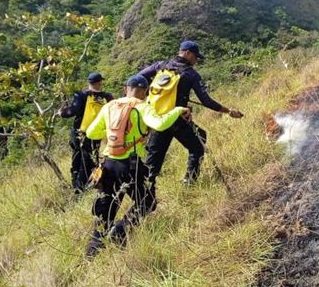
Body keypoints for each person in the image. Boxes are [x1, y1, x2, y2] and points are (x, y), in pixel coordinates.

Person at [83, 75, 190, 257]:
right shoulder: (141, 106)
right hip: (131, 165)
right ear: (144, 92)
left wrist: (109, 132)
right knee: (147, 202)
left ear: (126, 88)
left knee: (106, 210)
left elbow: (92, 133)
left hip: (108, 164)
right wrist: (179, 109)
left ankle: (91, 254)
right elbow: (160, 124)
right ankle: (121, 229)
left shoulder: (109, 106)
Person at [137, 40, 244, 186]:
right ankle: (189, 181)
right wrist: (228, 111)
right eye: (195, 57)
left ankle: (144, 194)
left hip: (157, 120)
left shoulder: (160, 66)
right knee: (198, 146)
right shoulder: (191, 74)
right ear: (187, 53)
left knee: (153, 163)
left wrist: (149, 90)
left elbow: (139, 77)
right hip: (177, 120)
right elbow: (206, 101)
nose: (196, 61)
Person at [59, 72, 113, 193]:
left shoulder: (81, 95)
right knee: (91, 158)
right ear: (100, 82)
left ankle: (78, 186)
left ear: (89, 82)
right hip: (96, 133)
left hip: (80, 132)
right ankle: (90, 182)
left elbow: (72, 111)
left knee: (78, 158)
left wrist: (61, 113)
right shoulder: (107, 97)